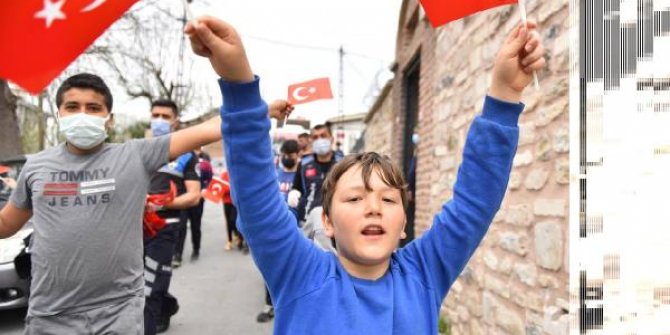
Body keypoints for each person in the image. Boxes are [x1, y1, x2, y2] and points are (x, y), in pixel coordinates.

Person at [186, 15, 545, 334]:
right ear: (326, 222)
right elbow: (257, 200)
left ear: (404, 224)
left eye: (388, 200)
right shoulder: (298, 270)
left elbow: (474, 203)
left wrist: (504, 95)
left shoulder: (424, 273)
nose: (373, 207)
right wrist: (239, 84)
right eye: (356, 198)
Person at [0, 73, 223, 334]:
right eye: (72, 107)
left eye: (93, 108)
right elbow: (6, 223)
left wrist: (256, 106)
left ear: (109, 119)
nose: (82, 114)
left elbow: (210, 128)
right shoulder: (36, 166)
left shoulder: (136, 155)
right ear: (59, 114)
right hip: (50, 315)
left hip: (117, 314)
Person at [143, 99, 201, 334]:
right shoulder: (139, 148)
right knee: (137, 278)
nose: (159, 120)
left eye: (165, 116)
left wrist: (161, 203)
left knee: (151, 283)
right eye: (155, 115)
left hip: (166, 225)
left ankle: (150, 322)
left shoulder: (186, 155)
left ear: (175, 121)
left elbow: (194, 196)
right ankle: (167, 305)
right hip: (135, 225)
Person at [256, 138, 299, 323]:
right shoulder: (275, 175)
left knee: (295, 268)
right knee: (271, 266)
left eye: (290, 155)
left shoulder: (302, 175)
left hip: (298, 229)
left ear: (298, 156)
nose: (287, 158)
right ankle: (270, 303)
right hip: (276, 229)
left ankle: (294, 302)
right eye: (284, 155)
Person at [290, 123, 343, 252]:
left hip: (337, 221)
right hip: (308, 220)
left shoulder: (344, 163)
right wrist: (294, 193)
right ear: (311, 141)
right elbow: (297, 187)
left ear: (331, 138)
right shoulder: (304, 164)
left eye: (323, 136)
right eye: (315, 137)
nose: (319, 140)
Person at [174, 147, 213, 264]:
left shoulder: (204, 160)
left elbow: (209, 177)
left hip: (197, 198)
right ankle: (177, 255)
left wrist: (205, 188)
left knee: (196, 226)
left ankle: (196, 250)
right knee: (181, 227)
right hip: (183, 197)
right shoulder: (181, 158)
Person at [220, 170, 247, 253]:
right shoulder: (224, 174)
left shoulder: (239, 172)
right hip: (226, 201)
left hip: (236, 201)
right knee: (228, 221)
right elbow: (221, 187)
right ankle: (229, 240)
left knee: (234, 220)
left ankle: (239, 238)